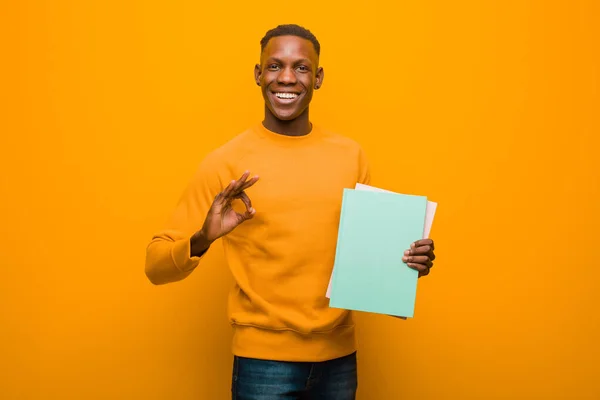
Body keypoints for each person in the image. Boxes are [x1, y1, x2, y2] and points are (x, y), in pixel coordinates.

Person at [145, 23, 436, 400]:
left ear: (318, 78)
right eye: (275, 66)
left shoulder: (351, 156)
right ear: (257, 74)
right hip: (262, 364)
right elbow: (155, 265)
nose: (286, 77)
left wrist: (409, 263)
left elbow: (367, 260)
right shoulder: (226, 162)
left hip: (340, 361)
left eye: (300, 67)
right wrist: (202, 238)